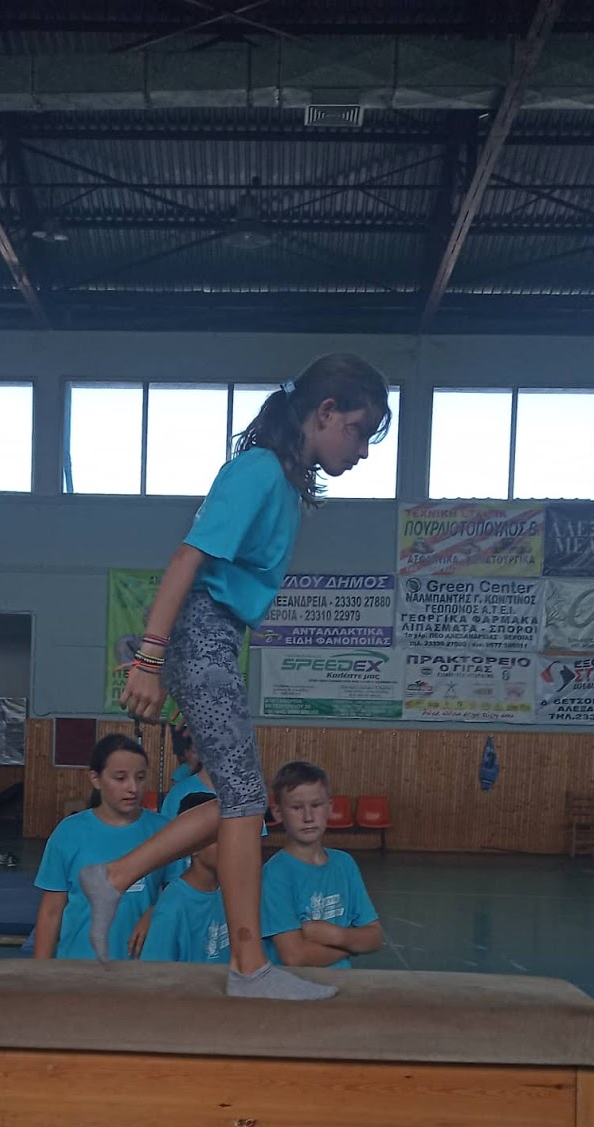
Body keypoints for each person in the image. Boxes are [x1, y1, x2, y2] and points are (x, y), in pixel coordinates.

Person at [78, 353, 391, 1001]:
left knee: (240, 799)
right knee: (246, 801)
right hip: (201, 636)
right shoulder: (256, 471)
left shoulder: (281, 482)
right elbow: (186, 558)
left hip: (219, 640)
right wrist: (149, 659)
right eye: (358, 431)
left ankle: (115, 876)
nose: (362, 450)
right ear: (325, 412)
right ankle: (249, 968)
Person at [32, 733, 169, 961]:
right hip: (79, 962)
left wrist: (155, 911)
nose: (133, 788)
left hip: (140, 965)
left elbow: (180, 891)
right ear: (95, 779)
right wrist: (39, 970)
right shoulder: (69, 833)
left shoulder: (164, 831)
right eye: (120, 778)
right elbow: (51, 910)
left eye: (140, 777)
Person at [262, 760, 382, 970]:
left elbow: (374, 937)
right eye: (297, 808)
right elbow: (295, 956)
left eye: (316, 805)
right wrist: (352, 945)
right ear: (278, 812)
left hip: (341, 984)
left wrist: (337, 935)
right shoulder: (274, 874)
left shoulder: (345, 864)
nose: (308, 817)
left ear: (329, 808)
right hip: (294, 987)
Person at [141, 792, 229, 964]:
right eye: (217, 837)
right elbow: (154, 973)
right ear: (192, 846)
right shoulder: (171, 908)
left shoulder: (231, 891)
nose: (229, 843)